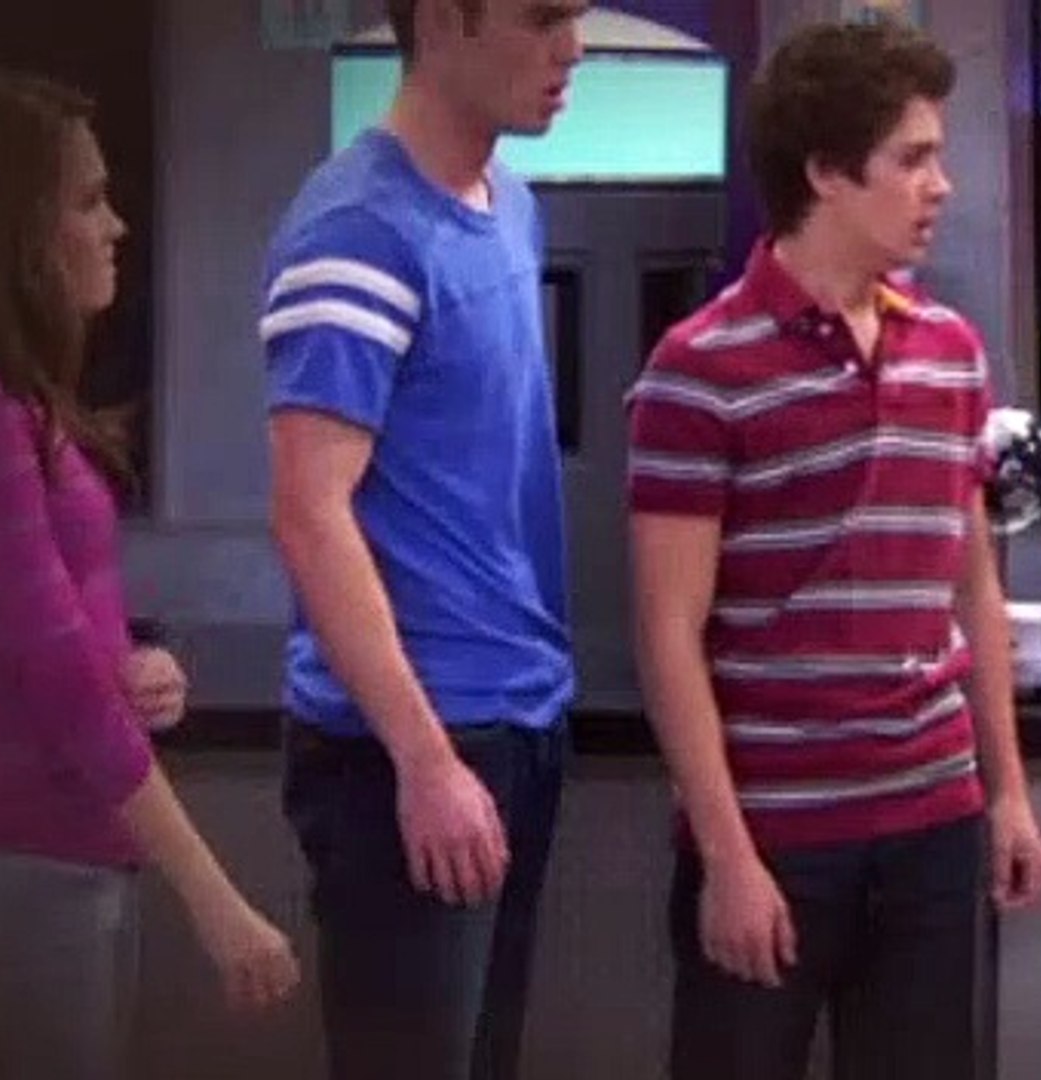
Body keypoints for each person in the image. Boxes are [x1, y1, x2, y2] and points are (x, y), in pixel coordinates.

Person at [626, 20, 1041, 1080]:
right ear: (825, 171)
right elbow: (668, 634)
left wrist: (1006, 791)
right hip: (775, 833)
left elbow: (972, 588)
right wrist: (726, 857)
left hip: (930, 821)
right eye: (913, 159)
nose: (941, 186)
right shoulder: (700, 370)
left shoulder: (950, 353)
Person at [0, 68, 300, 1080]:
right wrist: (216, 901)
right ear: (11, 231)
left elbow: (57, 640)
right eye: (89, 201)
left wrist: (133, 664)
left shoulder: (8, 404)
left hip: (58, 857)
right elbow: (52, 682)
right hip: (21, 862)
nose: (116, 228)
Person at [259, 1, 585, 1077]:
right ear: (446, 19)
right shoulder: (358, 231)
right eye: (543, 17)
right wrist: (423, 759)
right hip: (412, 741)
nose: (571, 49)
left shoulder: (509, 204)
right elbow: (310, 513)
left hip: (516, 714)